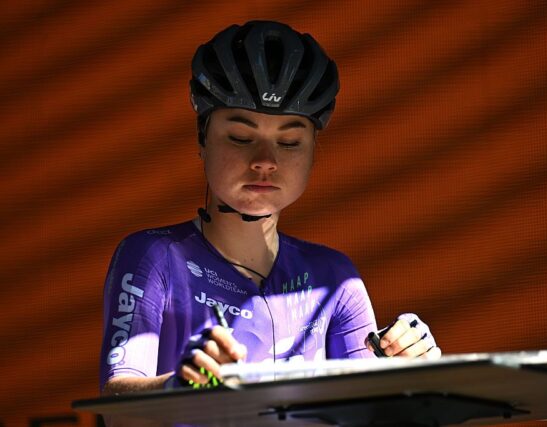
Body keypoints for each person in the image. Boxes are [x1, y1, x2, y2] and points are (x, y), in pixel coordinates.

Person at [100, 20, 441, 396]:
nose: (265, 161)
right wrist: (180, 387)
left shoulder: (336, 279)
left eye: (290, 141)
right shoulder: (155, 256)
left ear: (314, 152)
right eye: (240, 137)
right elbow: (117, 405)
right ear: (202, 140)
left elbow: (370, 411)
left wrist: (410, 372)